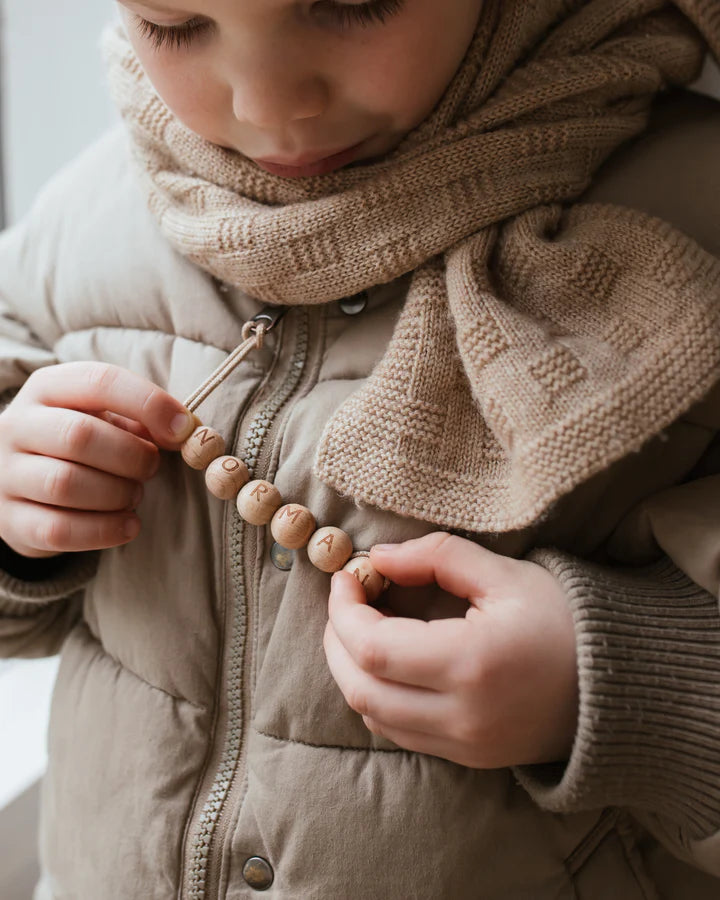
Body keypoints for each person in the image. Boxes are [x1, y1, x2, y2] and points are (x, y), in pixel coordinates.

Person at [0, 0, 719, 896]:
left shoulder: (696, 213)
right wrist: (16, 518)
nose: (267, 105)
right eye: (176, 23)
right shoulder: (93, 214)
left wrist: (611, 690)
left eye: (351, 3)